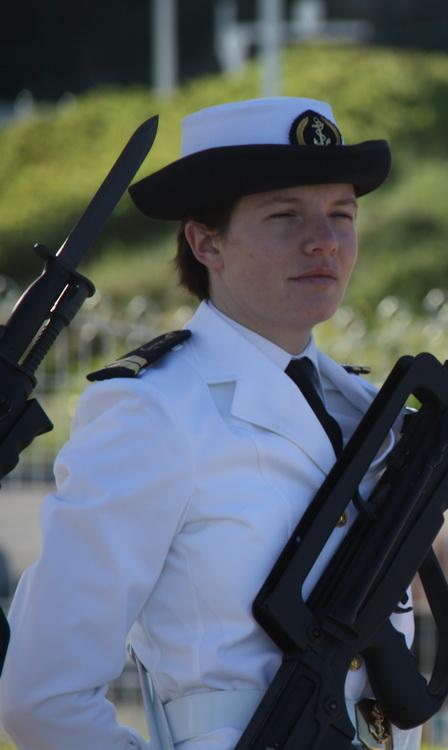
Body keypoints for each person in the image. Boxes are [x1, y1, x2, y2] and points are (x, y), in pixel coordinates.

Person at [0, 97, 421, 750]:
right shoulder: (154, 412)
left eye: (342, 214)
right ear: (205, 242)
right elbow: (42, 698)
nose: (324, 240)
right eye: (285, 215)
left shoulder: (363, 409)